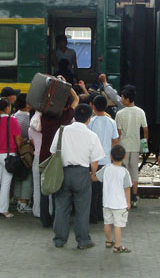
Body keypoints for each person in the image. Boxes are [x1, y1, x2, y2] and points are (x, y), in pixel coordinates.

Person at [50, 104, 105, 249]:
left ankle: (59, 240)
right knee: (82, 209)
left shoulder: (62, 131)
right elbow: (95, 160)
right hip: (82, 173)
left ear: (74, 116)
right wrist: (92, 174)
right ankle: (83, 241)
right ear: (88, 119)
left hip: (63, 172)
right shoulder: (92, 135)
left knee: (61, 207)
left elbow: (53, 152)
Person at [38, 88, 79, 227]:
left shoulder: (44, 115)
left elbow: (42, 102)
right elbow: (77, 100)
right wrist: (68, 87)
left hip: (43, 156)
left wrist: (53, 89)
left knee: (44, 188)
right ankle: (56, 218)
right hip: (57, 158)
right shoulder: (65, 116)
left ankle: (44, 219)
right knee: (57, 189)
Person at [88, 95, 120, 223]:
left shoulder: (90, 122)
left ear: (93, 107)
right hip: (106, 161)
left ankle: (93, 216)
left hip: (93, 162)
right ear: (106, 106)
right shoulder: (111, 122)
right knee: (104, 191)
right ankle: (102, 215)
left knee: (93, 191)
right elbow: (115, 141)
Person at [114, 85, 148, 207]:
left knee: (123, 173)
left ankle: (124, 197)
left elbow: (118, 132)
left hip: (123, 147)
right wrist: (144, 146)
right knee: (134, 174)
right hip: (135, 147)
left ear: (127, 99)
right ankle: (134, 198)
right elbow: (145, 130)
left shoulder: (120, 114)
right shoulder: (140, 112)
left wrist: (116, 146)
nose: (121, 100)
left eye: (122, 97)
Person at [0, 98, 22, 218]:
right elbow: (18, 138)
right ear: (7, 108)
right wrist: (20, 150)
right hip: (9, 155)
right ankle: (3, 209)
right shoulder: (12, 120)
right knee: (6, 182)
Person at [96, 145, 132, 253]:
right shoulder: (124, 172)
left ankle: (108, 241)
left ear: (110, 156)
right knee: (117, 225)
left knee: (107, 223)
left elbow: (96, 177)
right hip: (119, 204)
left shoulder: (106, 168)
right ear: (124, 157)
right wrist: (128, 202)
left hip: (107, 202)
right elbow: (127, 189)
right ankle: (117, 246)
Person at [12, 93, 33, 213]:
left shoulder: (14, 116)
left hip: (15, 150)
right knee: (26, 176)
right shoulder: (28, 118)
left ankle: (18, 199)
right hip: (26, 150)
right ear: (26, 104)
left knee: (18, 176)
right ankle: (24, 203)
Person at [29, 110, 43, 218]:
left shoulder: (30, 130)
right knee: (49, 187)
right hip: (48, 158)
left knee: (36, 186)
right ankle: (49, 210)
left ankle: (37, 210)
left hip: (36, 158)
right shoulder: (51, 128)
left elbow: (33, 143)